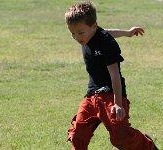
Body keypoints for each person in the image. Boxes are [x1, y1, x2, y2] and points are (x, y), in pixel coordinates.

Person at [64, 1, 158, 150]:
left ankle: (147, 144)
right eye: (72, 33)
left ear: (93, 26)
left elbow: (115, 74)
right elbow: (106, 31)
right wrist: (127, 32)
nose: (77, 37)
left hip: (111, 95)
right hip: (91, 96)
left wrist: (118, 103)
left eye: (80, 33)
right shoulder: (91, 34)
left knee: (121, 138)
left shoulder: (107, 44)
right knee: (77, 135)